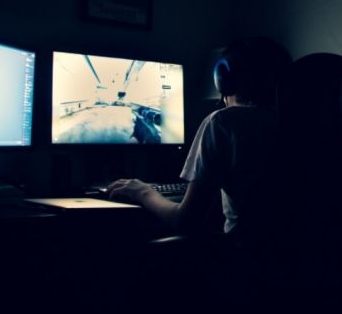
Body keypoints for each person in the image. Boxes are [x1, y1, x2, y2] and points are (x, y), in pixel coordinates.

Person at [106, 37, 292, 238]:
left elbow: (185, 221)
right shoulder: (300, 121)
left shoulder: (223, 122)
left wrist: (142, 192)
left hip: (246, 258)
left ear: (223, 80)